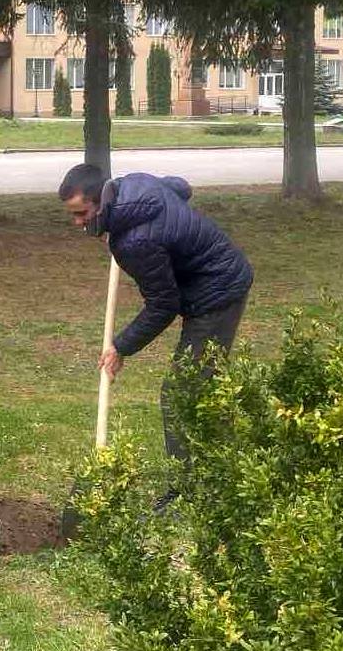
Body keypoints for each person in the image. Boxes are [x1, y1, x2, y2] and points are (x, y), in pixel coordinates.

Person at [58, 164, 253, 471]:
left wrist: (121, 347)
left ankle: (188, 487)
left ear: (102, 201)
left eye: (82, 214)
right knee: (200, 386)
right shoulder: (134, 184)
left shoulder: (134, 243)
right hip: (217, 276)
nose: (77, 222)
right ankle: (222, 469)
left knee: (181, 392)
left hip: (218, 292)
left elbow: (163, 305)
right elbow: (180, 187)